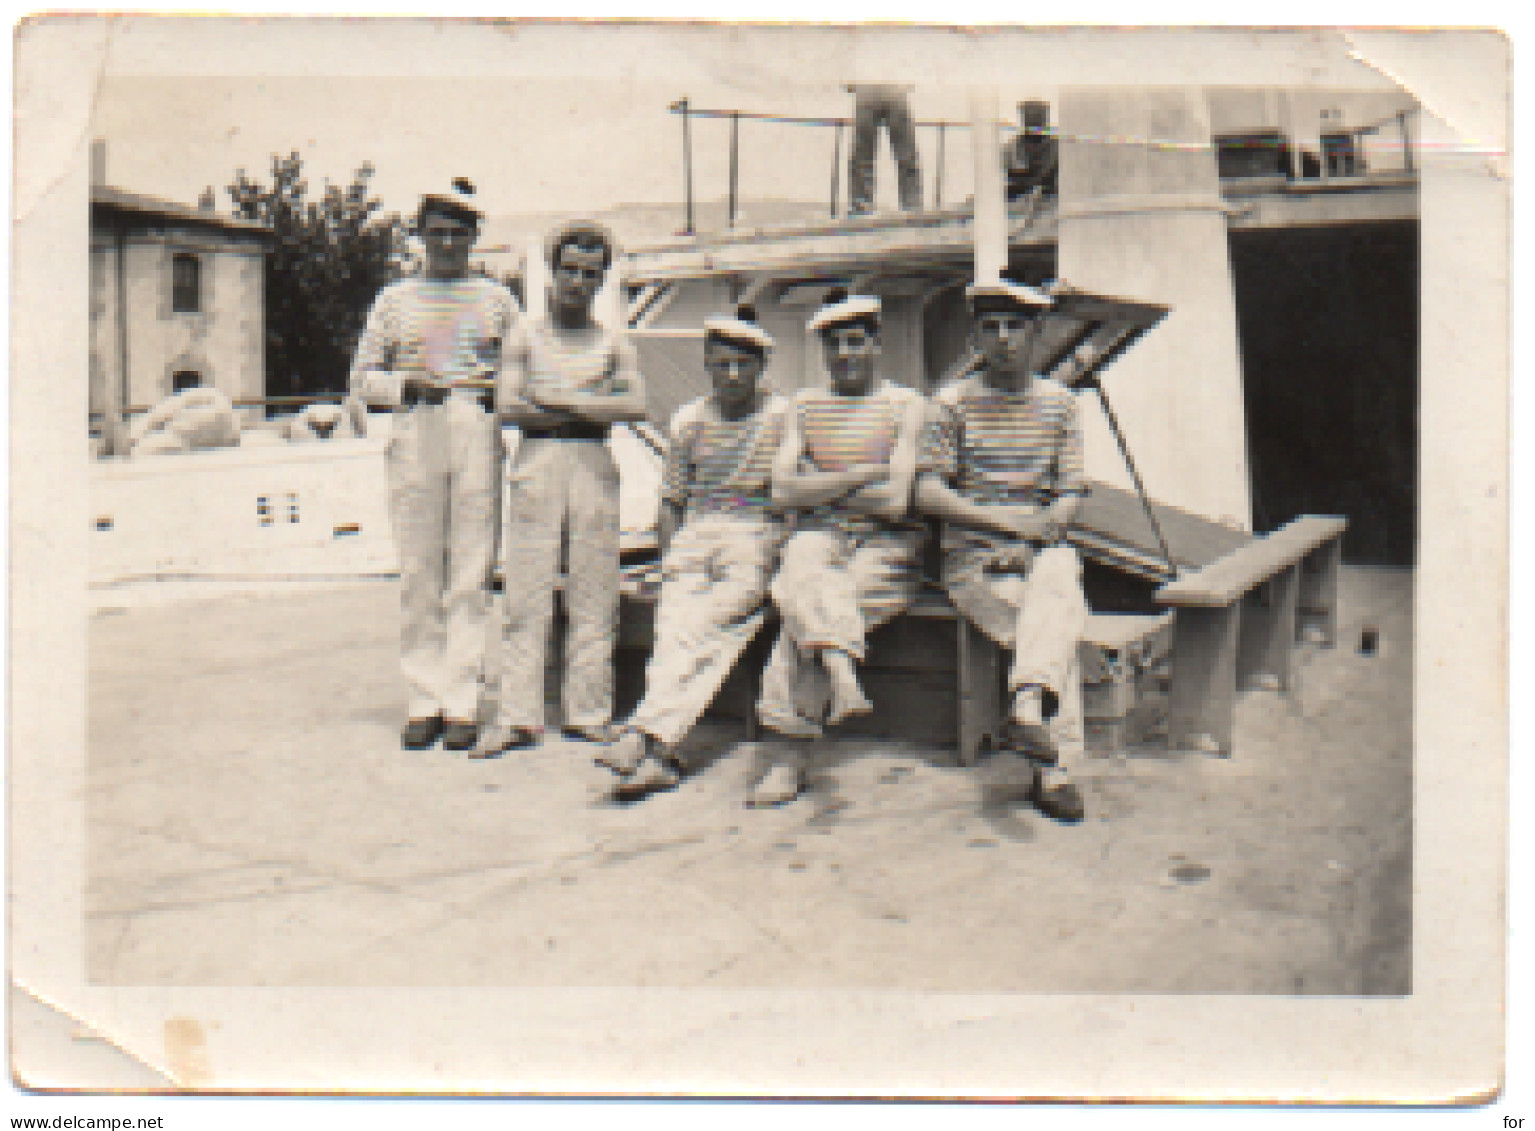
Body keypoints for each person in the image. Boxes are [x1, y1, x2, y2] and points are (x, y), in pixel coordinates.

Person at [349, 179, 519, 753]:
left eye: (459, 233)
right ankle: (424, 698)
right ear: (419, 235)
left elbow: (521, 368)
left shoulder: (496, 298)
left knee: (471, 570)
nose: (447, 243)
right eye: (437, 233)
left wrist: (498, 395)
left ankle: (462, 701)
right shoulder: (394, 300)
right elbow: (364, 380)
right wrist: (406, 384)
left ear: (475, 237)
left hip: (474, 423)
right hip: (416, 423)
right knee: (421, 570)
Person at [914, 278, 1089, 822]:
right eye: (991, 328)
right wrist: (1006, 527)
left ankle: (1028, 705)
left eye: (1015, 327)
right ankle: (1055, 768)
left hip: (1039, 554)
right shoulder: (951, 404)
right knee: (1056, 621)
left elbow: (1068, 493)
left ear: (1037, 332)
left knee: (1057, 574)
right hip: (973, 561)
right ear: (977, 337)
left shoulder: (1062, 404)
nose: (1004, 338)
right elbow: (927, 491)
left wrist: (1040, 534)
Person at [748, 289, 929, 808]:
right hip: (819, 536)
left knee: (803, 612)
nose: (845, 355)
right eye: (835, 346)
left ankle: (789, 757)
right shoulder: (804, 407)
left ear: (876, 342)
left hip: (888, 545)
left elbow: (896, 503)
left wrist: (822, 481)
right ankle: (843, 673)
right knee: (804, 567)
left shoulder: (906, 406)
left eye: (855, 341)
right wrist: (865, 473)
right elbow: (782, 491)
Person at [599, 306, 790, 798]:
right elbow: (672, 499)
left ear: (760, 366)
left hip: (753, 535)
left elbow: (793, 495)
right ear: (707, 361)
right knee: (673, 630)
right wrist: (670, 559)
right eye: (722, 363)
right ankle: (660, 752)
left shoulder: (782, 416)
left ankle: (645, 734)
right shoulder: (689, 419)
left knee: (708, 625)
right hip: (695, 535)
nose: (732, 375)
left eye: (743, 365)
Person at [476, 220, 648, 758]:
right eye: (569, 270)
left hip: (593, 462)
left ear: (601, 280)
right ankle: (516, 717)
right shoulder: (526, 335)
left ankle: (589, 713)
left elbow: (635, 406)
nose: (577, 282)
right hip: (538, 461)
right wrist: (591, 398)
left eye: (589, 274)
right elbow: (508, 407)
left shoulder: (613, 339)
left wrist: (560, 401)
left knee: (595, 591)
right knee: (526, 592)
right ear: (552, 271)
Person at [846, 84, 923, 216]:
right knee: (862, 157)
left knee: (906, 155)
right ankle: (861, 208)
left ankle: (912, 207)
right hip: (869, 91)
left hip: (893, 90)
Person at [128, 378, 240, 457]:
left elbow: (160, 414)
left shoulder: (178, 415)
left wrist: (135, 437)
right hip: (226, 428)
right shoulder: (213, 397)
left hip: (212, 426)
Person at [1005, 100, 1059, 202]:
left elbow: (1034, 179)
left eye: (1037, 117)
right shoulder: (1012, 148)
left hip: (1049, 202)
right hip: (1020, 203)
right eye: (1029, 118)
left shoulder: (1055, 147)